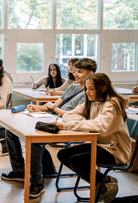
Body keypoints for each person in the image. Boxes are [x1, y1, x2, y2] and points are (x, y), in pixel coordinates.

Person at [1, 58, 97, 199]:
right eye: (76, 71)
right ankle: (19, 170)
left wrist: (54, 109)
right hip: (54, 118)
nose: (76, 74)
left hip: (68, 125)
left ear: (91, 73)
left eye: (80, 72)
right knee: (10, 130)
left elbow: (75, 115)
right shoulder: (72, 87)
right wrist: (39, 107)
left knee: (33, 139)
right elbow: (55, 103)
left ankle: (37, 183)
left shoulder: (89, 93)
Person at [54, 73, 132, 203]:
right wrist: (83, 120)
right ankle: (104, 182)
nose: (87, 92)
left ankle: (101, 186)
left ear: (103, 88)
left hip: (115, 150)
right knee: (63, 154)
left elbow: (99, 126)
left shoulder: (112, 104)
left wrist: (69, 125)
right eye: (86, 88)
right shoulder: (91, 101)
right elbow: (67, 115)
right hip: (99, 144)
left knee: (77, 160)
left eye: (91, 89)